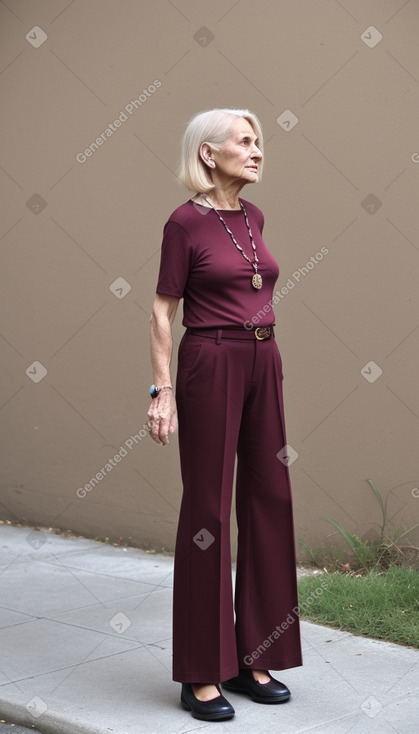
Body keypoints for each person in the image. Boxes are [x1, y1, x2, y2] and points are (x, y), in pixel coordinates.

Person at [147, 108, 303, 722]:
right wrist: (162, 392)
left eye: (258, 140)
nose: (257, 149)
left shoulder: (255, 217)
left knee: (272, 498)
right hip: (210, 360)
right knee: (209, 508)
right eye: (244, 141)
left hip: (266, 358)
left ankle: (254, 655)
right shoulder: (184, 224)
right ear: (208, 154)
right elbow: (162, 312)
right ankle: (202, 670)